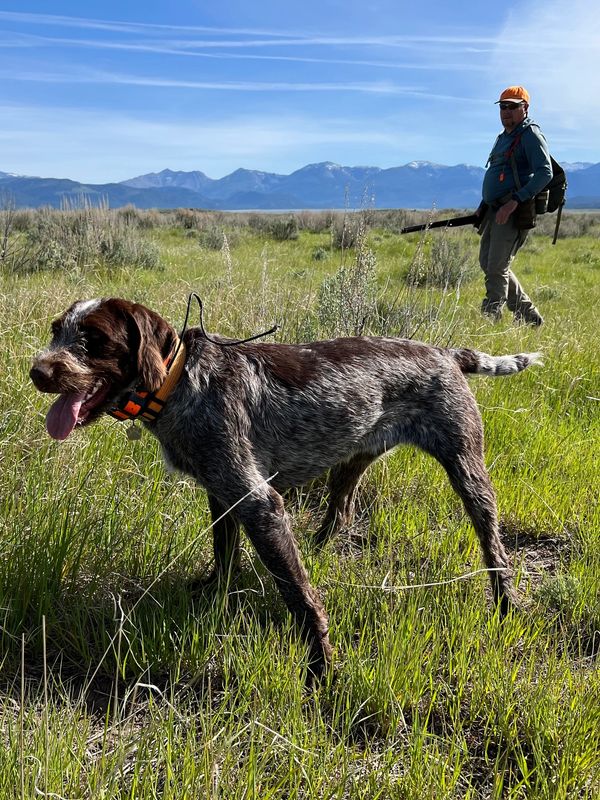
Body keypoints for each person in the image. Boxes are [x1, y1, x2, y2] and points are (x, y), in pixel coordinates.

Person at [477, 86, 552, 326]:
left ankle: (491, 322)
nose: (506, 111)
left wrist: (514, 202)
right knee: (488, 263)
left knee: (497, 267)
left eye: (512, 106)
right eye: (503, 106)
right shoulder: (503, 138)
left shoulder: (530, 134)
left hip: (512, 212)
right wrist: (484, 205)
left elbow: (545, 172)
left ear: (525, 108)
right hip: (494, 210)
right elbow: (498, 173)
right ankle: (529, 316)